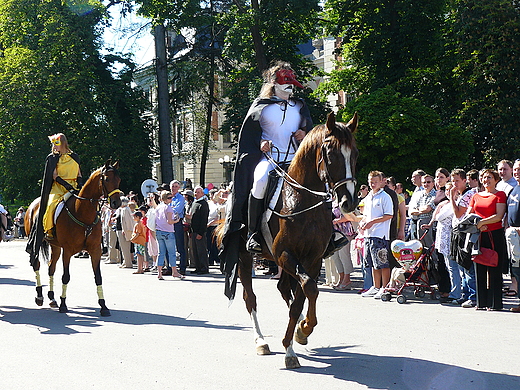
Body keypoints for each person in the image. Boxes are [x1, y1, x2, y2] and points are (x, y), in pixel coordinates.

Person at [219, 61, 313, 266]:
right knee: (260, 180)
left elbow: (309, 131)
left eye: (292, 84)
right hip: (270, 159)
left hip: (294, 159)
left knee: (319, 183)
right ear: (274, 83)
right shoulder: (261, 106)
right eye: (286, 83)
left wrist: (304, 133)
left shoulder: (300, 106)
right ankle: (253, 233)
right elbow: (250, 135)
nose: (290, 88)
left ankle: (330, 233)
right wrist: (261, 142)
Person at [26, 134, 82, 261]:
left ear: (62, 143)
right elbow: (54, 176)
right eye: (53, 144)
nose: (54, 146)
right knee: (51, 205)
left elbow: (79, 173)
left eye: (56, 143)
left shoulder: (75, 157)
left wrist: (80, 185)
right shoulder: (52, 158)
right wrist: (66, 185)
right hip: (58, 188)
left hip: (74, 187)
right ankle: (49, 230)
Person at [466, 169, 507, 311]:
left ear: (496, 180)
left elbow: (499, 215)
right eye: (483, 177)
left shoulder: (500, 195)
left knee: (494, 267)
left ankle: (495, 303)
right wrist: (476, 225)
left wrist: (482, 223)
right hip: (478, 235)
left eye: (489, 177)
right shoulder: (476, 196)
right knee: (479, 268)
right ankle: (481, 302)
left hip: (494, 235)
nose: (486, 180)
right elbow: (469, 214)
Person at [359, 171, 394, 299]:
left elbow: (389, 215)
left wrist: (373, 222)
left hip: (380, 234)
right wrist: (363, 222)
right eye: (370, 181)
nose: (372, 184)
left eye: (375, 181)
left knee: (382, 262)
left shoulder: (385, 197)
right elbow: (366, 215)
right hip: (368, 235)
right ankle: (376, 286)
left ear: (381, 182)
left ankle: (385, 287)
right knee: (372, 263)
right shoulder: (368, 197)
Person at [448, 169, 477, 308]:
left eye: (457, 181)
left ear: (465, 180)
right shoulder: (460, 195)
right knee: (460, 265)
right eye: (452, 181)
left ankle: (473, 295)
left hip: (465, 232)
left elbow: (459, 213)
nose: (454, 184)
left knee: (467, 265)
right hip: (457, 231)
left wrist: (451, 199)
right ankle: (465, 294)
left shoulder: (469, 194)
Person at [155, 191, 184, 280]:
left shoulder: (158, 207)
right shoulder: (168, 208)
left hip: (159, 231)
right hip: (168, 231)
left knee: (161, 253)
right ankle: (174, 271)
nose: (171, 199)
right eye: (169, 198)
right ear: (165, 199)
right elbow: (169, 221)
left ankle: (159, 273)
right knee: (172, 253)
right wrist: (176, 220)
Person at [506, 160, 520, 312]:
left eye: (519, 169)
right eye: (515, 169)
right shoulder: (514, 189)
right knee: (516, 269)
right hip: (513, 235)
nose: (517, 172)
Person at [190, 186, 210, 274]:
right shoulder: (195, 203)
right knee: (195, 250)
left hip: (200, 231)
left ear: (202, 193)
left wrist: (201, 233)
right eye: (195, 192)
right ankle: (198, 267)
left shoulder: (203, 204)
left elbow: (204, 220)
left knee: (201, 250)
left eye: (198, 192)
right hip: (193, 231)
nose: (196, 194)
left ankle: (204, 268)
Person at [170, 180, 187, 275]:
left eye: (176, 186)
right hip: (168, 223)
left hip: (177, 223)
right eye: (172, 186)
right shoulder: (168, 197)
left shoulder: (180, 198)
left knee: (180, 246)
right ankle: (171, 267)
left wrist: (168, 209)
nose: (174, 188)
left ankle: (182, 267)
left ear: (179, 188)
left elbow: (177, 210)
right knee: (170, 246)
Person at [114, 197, 134, 269]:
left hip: (124, 231)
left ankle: (128, 263)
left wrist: (126, 230)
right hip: (120, 230)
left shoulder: (126, 210)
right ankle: (125, 262)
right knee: (123, 247)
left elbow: (127, 221)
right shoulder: (123, 209)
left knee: (125, 248)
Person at [406, 169, 426, 239]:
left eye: (414, 177)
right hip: (412, 220)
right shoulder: (416, 189)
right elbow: (412, 205)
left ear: (420, 177)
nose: (412, 179)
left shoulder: (425, 190)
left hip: (420, 220)